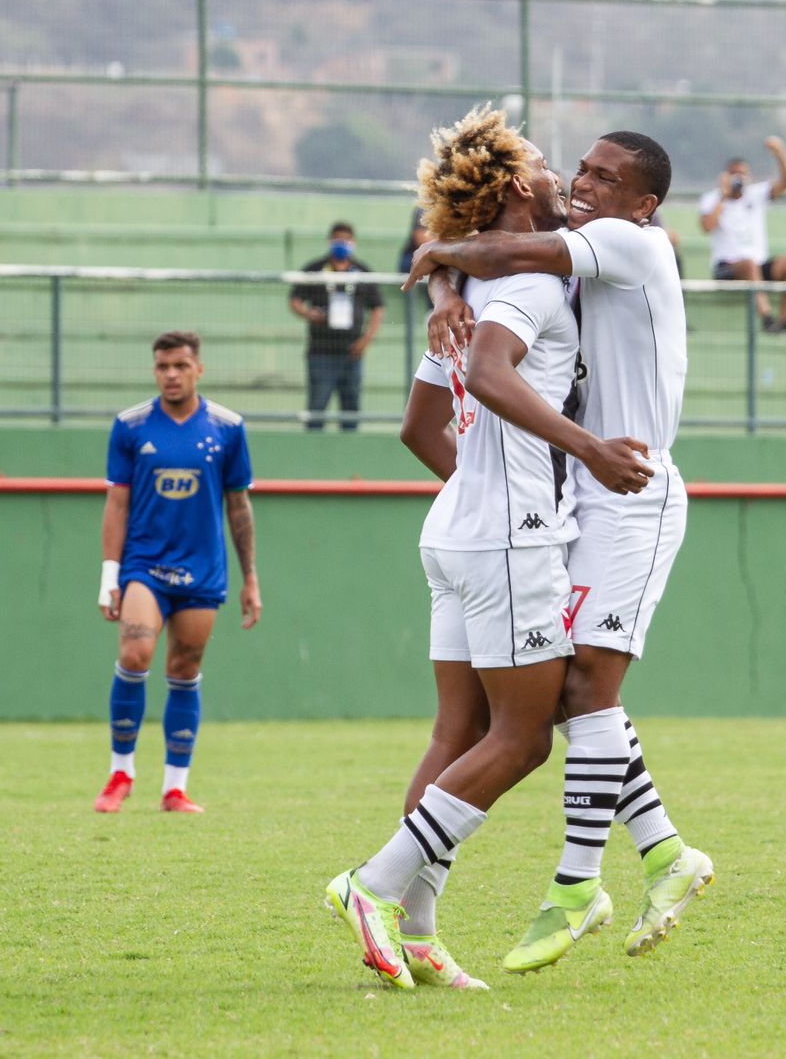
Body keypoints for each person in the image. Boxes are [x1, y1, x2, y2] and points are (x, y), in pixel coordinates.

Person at [326, 106, 654, 991]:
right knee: (525, 738)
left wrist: (441, 286)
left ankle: (418, 933)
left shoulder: (468, 293)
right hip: (509, 538)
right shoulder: (533, 286)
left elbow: (416, 427)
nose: (561, 177)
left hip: (456, 535)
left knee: (460, 731)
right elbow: (490, 374)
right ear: (516, 184)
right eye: (546, 165)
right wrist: (583, 454)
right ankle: (373, 885)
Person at [406, 130, 715, 974]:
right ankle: (665, 853)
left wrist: (438, 258)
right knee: (559, 697)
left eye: (605, 177)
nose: (583, 181)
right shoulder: (563, 264)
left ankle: (578, 884)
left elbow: (501, 249)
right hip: (583, 492)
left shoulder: (631, 243)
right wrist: (443, 279)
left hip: (634, 488)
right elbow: (495, 252)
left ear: (645, 205)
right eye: (580, 168)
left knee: (582, 690)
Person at [93, 331, 262, 815]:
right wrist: (110, 575)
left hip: (202, 570)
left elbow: (239, 506)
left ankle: (175, 788)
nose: (171, 375)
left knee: (184, 669)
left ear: (198, 370)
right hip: (144, 566)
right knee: (135, 652)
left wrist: (250, 578)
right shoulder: (131, 426)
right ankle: (121, 774)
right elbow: (117, 504)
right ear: (155, 371)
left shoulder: (228, 427)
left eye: (181, 366)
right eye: (163, 366)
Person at [698, 136, 786, 334]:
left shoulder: (755, 194)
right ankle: (767, 318)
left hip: (759, 265)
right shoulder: (712, 198)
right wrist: (724, 196)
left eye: (743, 174)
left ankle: (785, 320)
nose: (738, 178)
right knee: (749, 264)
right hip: (727, 268)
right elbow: (707, 227)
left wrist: (780, 152)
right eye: (734, 174)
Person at [288, 222, 384, 431]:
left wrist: (366, 339)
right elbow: (295, 300)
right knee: (316, 408)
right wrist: (309, 314)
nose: (342, 243)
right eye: (337, 239)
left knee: (351, 410)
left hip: (352, 352)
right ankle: (313, 447)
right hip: (320, 351)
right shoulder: (315, 269)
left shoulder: (362, 272)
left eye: (346, 239)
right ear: (330, 241)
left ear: (354, 242)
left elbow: (378, 308)